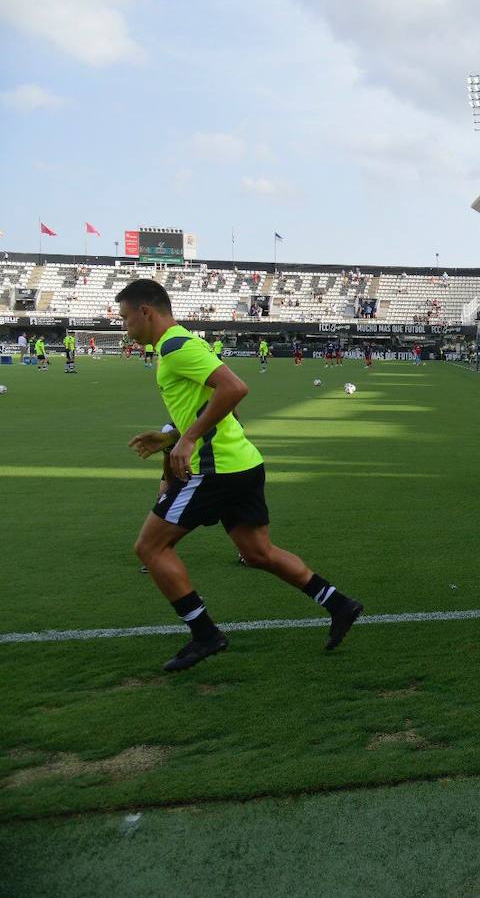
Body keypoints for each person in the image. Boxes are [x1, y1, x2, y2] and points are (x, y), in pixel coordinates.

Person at [117, 278, 363, 671]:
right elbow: (213, 405)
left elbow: (234, 389)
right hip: (241, 463)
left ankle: (205, 635)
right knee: (257, 552)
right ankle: (339, 604)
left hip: (215, 470)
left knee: (150, 548)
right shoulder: (175, 346)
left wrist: (188, 440)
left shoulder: (177, 347)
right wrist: (171, 438)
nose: (125, 328)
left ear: (146, 311)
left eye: (126, 318)